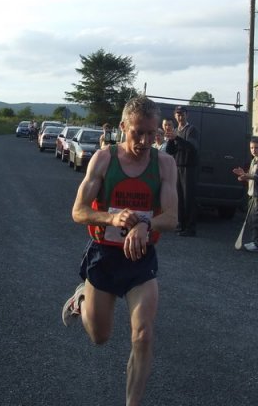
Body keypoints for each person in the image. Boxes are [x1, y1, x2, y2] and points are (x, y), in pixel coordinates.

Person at [61, 95, 178, 405]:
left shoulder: (164, 163)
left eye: (151, 134)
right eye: (137, 132)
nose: (144, 140)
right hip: (105, 253)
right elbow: (78, 211)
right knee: (100, 338)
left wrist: (145, 225)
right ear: (123, 126)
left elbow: (171, 217)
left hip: (141, 258)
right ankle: (82, 298)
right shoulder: (104, 159)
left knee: (143, 335)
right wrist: (112, 217)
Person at [165, 106, 199, 237]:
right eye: (178, 114)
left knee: (188, 198)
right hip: (177, 166)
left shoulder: (191, 130)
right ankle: (180, 225)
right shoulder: (175, 130)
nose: (180, 117)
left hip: (189, 168)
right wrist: (170, 140)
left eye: (182, 114)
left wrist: (177, 138)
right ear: (175, 116)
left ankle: (190, 228)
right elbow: (171, 151)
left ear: (187, 115)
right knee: (178, 198)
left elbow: (192, 147)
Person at [233, 138, 258, 252]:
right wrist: (243, 176)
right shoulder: (254, 160)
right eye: (251, 148)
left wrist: (246, 175)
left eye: (256, 147)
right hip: (252, 194)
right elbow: (251, 177)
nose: (254, 150)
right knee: (253, 219)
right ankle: (255, 240)